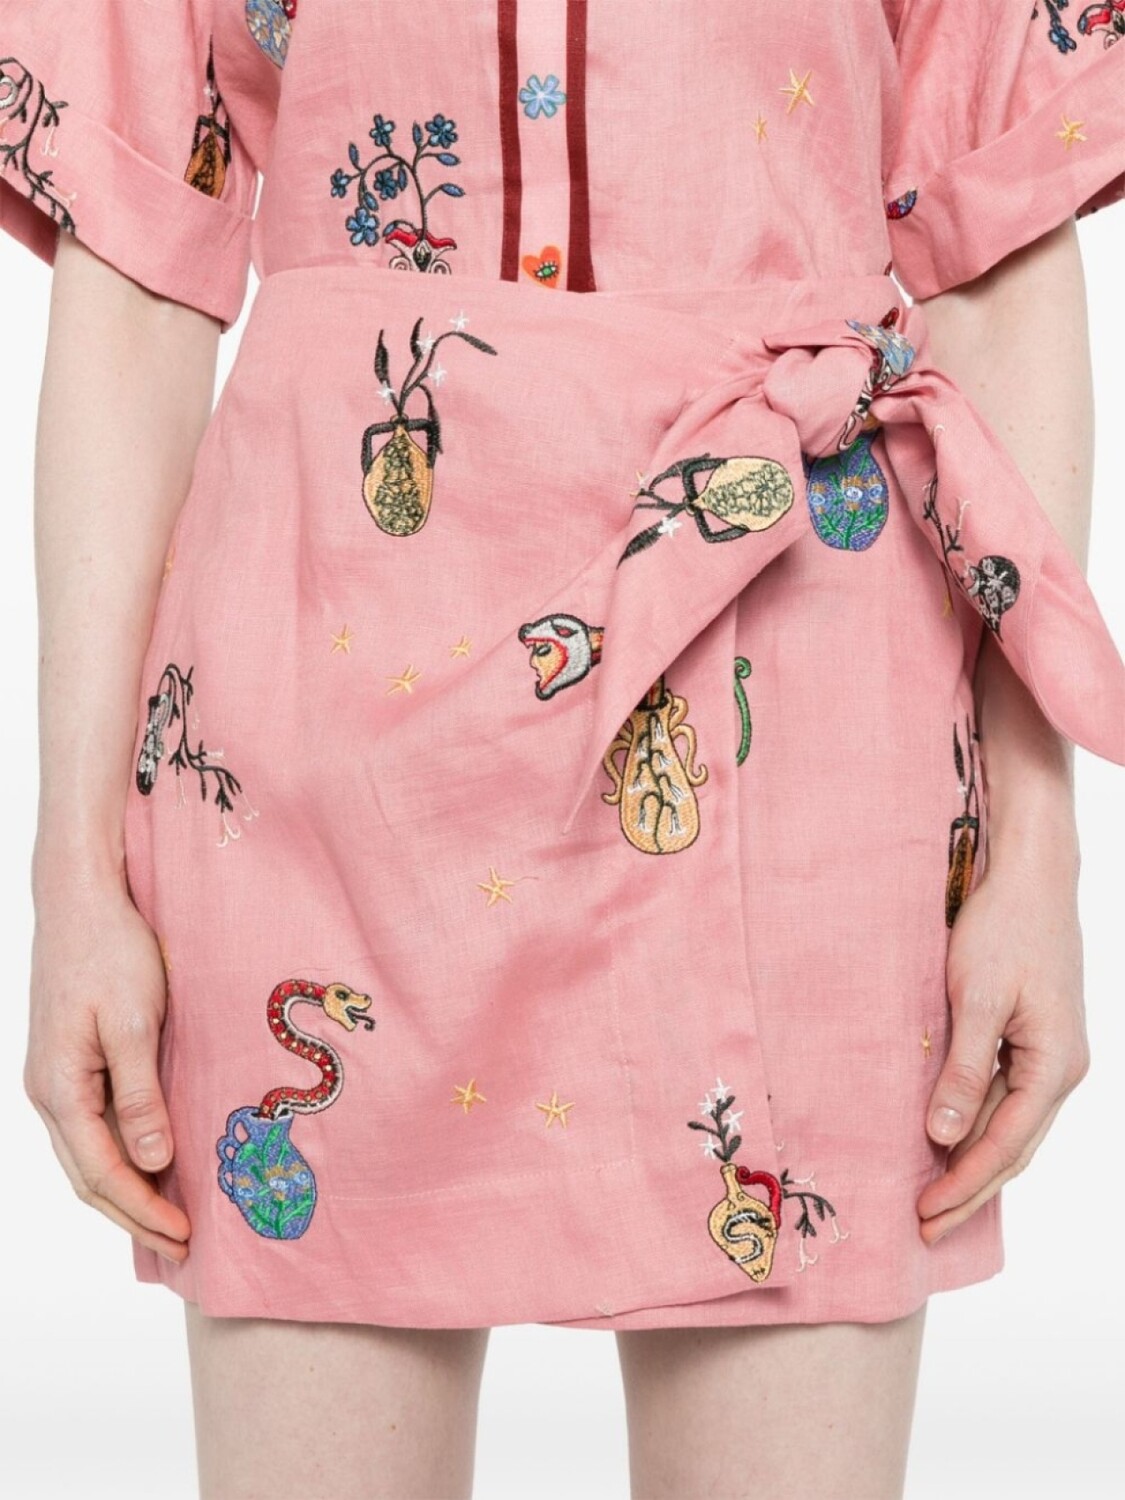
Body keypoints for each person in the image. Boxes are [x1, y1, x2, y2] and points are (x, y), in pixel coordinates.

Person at [4, 2, 1123, 1496]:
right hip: (311, 737)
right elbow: (138, 275)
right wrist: (74, 869)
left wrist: (1037, 850)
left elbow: (992, 241)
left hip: (795, 699)